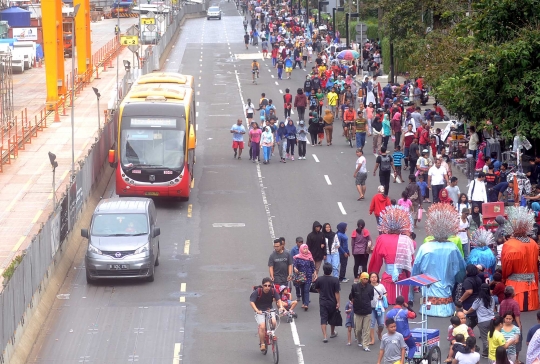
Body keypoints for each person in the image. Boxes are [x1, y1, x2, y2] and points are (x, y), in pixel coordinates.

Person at [413, 203, 467, 317]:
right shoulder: (452, 247)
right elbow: (461, 268)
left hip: (428, 284)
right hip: (447, 284)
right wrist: (459, 279)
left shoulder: (425, 247)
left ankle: (427, 306)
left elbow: (416, 266)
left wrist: (416, 281)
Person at [368, 207, 415, 305]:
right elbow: (411, 261)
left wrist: (371, 276)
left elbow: (376, 261)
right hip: (402, 277)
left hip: (388, 277)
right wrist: (413, 282)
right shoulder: (406, 240)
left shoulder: (382, 239)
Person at [502, 206, 539, 307]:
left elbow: (506, 266)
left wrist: (504, 278)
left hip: (515, 286)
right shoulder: (533, 243)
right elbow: (536, 265)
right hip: (531, 284)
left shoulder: (509, 244)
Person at [249, 277, 285, 352]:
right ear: (262, 285)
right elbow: (252, 302)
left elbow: (278, 299)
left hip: (269, 309)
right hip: (259, 310)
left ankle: (271, 333)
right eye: (265, 285)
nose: (267, 287)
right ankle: (262, 343)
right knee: (262, 327)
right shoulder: (257, 292)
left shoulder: (272, 291)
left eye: (269, 285)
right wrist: (257, 310)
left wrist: (281, 307)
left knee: (274, 322)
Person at [463, 283, 496, 357]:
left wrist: (466, 312)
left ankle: (486, 352)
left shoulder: (478, 300)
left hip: (483, 321)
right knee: (491, 336)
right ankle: (492, 350)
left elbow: (472, 309)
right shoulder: (492, 299)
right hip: (492, 320)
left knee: (484, 337)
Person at [314, 263, 341, 342]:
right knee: (332, 317)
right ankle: (332, 332)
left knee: (323, 318)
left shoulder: (319, 279)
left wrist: (321, 293)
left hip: (323, 301)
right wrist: (338, 302)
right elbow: (337, 293)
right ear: (331, 270)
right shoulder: (335, 280)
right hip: (332, 301)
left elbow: (317, 289)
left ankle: (325, 336)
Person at [386, 296, 417, 360]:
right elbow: (415, 315)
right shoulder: (405, 312)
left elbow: (386, 324)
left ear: (395, 302)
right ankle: (409, 359)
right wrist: (408, 307)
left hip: (393, 336)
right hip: (405, 336)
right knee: (412, 347)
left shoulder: (388, 313)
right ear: (403, 303)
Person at [351, 272, 375, 351]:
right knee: (358, 329)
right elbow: (351, 296)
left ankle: (365, 345)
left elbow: (371, 297)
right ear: (361, 278)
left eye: (367, 278)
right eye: (364, 278)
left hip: (367, 311)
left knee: (366, 329)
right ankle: (359, 340)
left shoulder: (370, 288)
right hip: (358, 311)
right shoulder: (354, 287)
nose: (366, 280)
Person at [293, 244, 317, 311]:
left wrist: (315, 274)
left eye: (306, 249)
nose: (306, 250)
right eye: (304, 249)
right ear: (301, 249)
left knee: (306, 289)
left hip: (308, 276)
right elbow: (295, 266)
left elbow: (313, 267)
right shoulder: (297, 258)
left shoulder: (310, 257)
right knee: (302, 289)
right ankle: (304, 302)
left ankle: (306, 304)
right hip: (301, 276)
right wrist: (295, 269)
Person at [370, 272, 387, 345]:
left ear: (377, 278)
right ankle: (372, 339)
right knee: (372, 324)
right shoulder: (368, 286)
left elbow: (385, 293)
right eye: (372, 277)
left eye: (375, 277)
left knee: (381, 324)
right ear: (369, 278)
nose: (374, 278)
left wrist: (383, 297)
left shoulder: (381, 286)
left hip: (379, 307)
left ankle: (379, 332)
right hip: (371, 308)